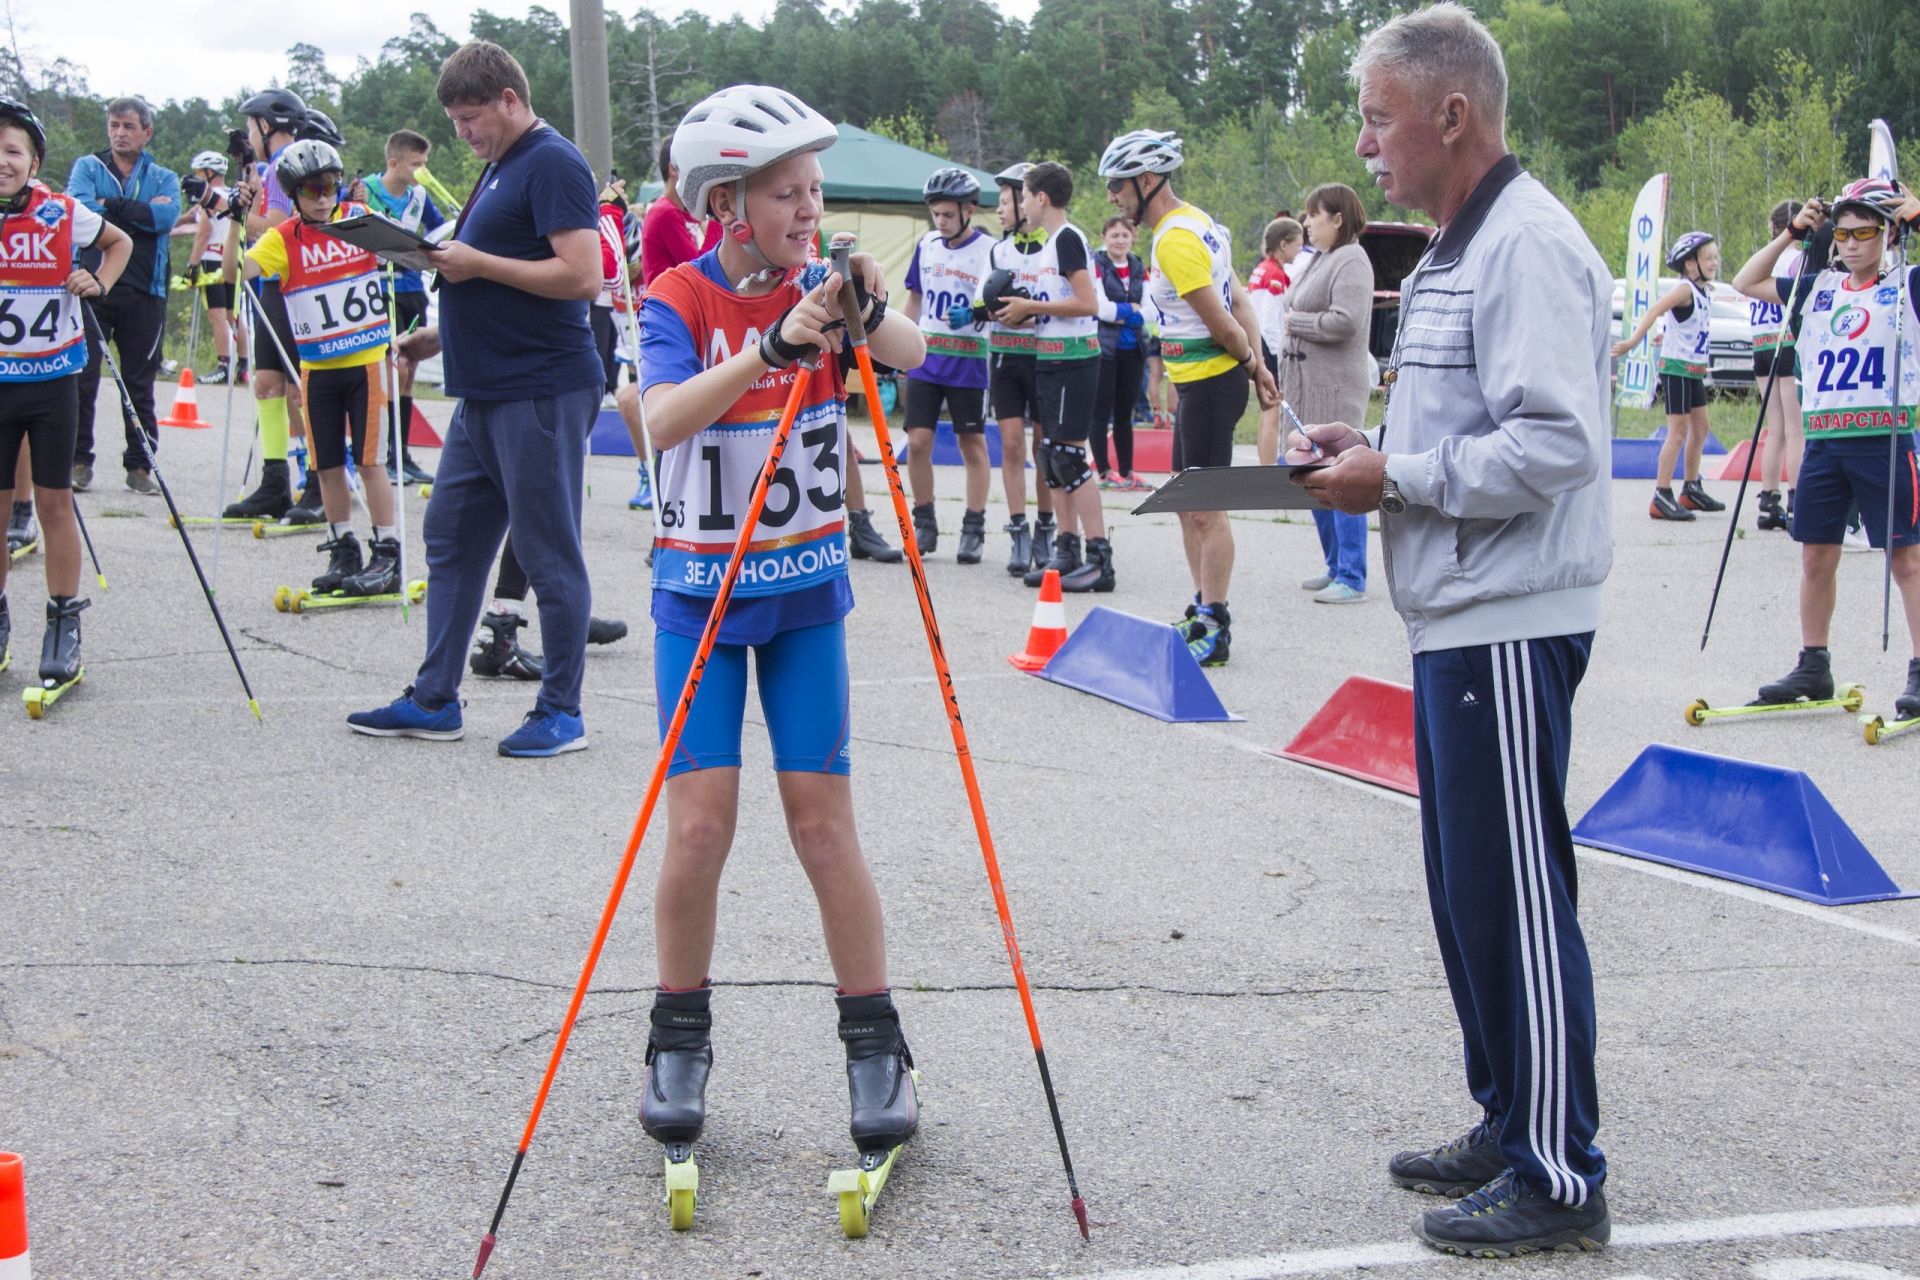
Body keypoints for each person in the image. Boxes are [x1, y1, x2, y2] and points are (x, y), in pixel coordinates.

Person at [1289, 5, 1614, 1256]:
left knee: (1517, 890)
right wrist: (1356, 449)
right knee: (1469, 890)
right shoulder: (1452, 247)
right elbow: (1451, 424)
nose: (1365, 145)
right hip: (1460, 616)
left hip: (1508, 616)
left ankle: (1558, 1170)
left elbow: (1559, 442)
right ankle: (1509, 1112)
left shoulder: (1525, 243)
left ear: (1451, 114)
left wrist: (1401, 478)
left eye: (1377, 117)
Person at [625, 84, 926, 1172]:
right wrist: (769, 351)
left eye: (814, 190)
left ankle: (876, 1044)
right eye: (787, 193)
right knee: (699, 826)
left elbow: (915, 354)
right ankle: (676, 1040)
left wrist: (861, 302)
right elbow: (656, 420)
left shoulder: (822, 288)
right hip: (698, 603)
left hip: (803, 599)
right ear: (725, 201)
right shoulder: (676, 294)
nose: (808, 208)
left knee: (821, 825)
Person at [348, 39, 605, 758]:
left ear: (510, 101)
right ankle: (435, 698)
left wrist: (473, 262)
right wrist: (436, 333)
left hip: (541, 389)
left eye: (471, 118)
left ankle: (562, 711)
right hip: (484, 389)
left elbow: (582, 275)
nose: (461, 134)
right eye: (455, 121)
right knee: (453, 539)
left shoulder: (551, 160)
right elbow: (501, 278)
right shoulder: (500, 166)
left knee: (549, 552)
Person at [1730, 180, 1920, 723]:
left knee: (1906, 560)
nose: (1854, 242)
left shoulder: (1907, 285)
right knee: (1816, 555)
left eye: (1866, 231)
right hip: (1826, 442)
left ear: (1886, 234)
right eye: (1845, 232)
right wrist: (1794, 231)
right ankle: (1814, 664)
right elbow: (1747, 280)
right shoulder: (1817, 288)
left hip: (1885, 439)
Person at [1101, 128, 1276, 661]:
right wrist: (1259, 363)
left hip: (1210, 382)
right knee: (1186, 504)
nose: (1112, 196)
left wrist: (1252, 364)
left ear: (1147, 181)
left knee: (1206, 510)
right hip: (1197, 383)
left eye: (1118, 185)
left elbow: (1224, 318)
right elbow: (1242, 300)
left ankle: (1216, 625)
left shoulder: (1176, 238)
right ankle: (1201, 607)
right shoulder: (1200, 223)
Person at [0, 98, 131, 682]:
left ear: (33, 161)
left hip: (53, 382)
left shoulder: (60, 212)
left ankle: (63, 620)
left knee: (54, 504)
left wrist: (96, 281)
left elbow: (119, 242)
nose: (2, 161)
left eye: (12, 151)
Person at [240, 140, 402, 599]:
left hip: (366, 364)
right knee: (326, 464)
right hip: (316, 369)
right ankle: (342, 545)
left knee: (370, 461)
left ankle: (387, 552)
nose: (324, 197)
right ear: (293, 195)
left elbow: (407, 253)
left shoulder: (357, 221)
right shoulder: (284, 237)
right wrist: (234, 220)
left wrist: (387, 232)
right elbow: (239, 272)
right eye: (312, 190)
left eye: (330, 186)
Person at [992, 162, 1114, 592]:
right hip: (1050, 357)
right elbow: (1054, 308)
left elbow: (1087, 303)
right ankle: (1066, 548)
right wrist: (1015, 313)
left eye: (1024, 195)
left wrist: (1032, 309)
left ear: (1041, 198)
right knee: (1050, 455)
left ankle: (1100, 555)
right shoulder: (1048, 246)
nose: (1020, 203)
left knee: (1068, 457)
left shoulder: (1067, 239)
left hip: (1075, 361)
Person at [66, 96, 180, 496]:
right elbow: (77, 210)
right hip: (92, 285)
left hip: (146, 292)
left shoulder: (163, 176)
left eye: (129, 126)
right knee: (81, 378)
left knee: (139, 382)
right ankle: (78, 463)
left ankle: (140, 466)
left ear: (146, 132)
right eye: (114, 125)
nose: (119, 133)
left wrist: (109, 205)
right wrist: (137, 211)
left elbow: (165, 218)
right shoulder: (88, 167)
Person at [1283, 185, 1376, 605]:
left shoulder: (1352, 259)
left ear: (1337, 218)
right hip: (1306, 388)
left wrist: (1295, 321)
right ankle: (1335, 565)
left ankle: (1353, 576)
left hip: (1334, 391)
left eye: (1313, 215)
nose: (1306, 223)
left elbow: (1345, 321)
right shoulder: (1320, 259)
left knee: (1341, 475)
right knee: (1311, 474)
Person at [221, 87, 311, 521]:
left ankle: (314, 479)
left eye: (253, 125)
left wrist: (229, 207)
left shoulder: (282, 166)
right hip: (271, 284)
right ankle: (276, 481)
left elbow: (276, 228)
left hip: (287, 284)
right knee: (267, 383)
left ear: (266, 125)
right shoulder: (274, 167)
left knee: (295, 386)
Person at [904, 166, 994, 562]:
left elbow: (994, 303)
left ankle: (974, 526)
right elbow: (914, 300)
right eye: (935, 214)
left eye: (947, 215)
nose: (940, 222)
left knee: (970, 443)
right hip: (926, 355)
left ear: (969, 210)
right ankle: (924, 523)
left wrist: (978, 314)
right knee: (917, 441)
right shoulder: (926, 244)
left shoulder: (987, 250)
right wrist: (897, 341)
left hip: (968, 358)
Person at [1612, 231, 1726, 520]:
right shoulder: (1684, 289)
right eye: (1708, 258)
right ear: (1690, 264)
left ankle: (1691, 488)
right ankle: (1662, 494)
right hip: (1677, 369)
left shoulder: (1703, 292)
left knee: (1701, 430)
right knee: (1678, 432)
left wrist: (1667, 334)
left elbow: (1684, 324)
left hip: (1694, 369)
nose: (1714, 262)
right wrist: (1632, 342)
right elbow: (1655, 310)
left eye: (1715, 257)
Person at [975, 161, 1052, 575]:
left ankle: (1045, 529)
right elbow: (979, 302)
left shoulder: (1053, 247)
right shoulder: (998, 250)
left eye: (1009, 201)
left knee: (1044, 449)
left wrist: (1032, 311)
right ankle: (1018, 532)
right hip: (1005, 357)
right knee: (1010, 445)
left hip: (1042, 357)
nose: (1003, 210)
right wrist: (977, 312)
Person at [361, 128, 445, 485]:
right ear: (393, 163)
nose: (421, 170)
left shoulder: (419, 195)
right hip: (380, 290)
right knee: (389, 369)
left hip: (411, 287)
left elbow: (441, 228)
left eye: (424, 163)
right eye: (415, 164)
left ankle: (402, 453)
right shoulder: (368, 190)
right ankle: (382, 455)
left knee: (408, 369)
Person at [1746, 199, 1807, 532]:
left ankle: (1769, 501)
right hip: (1786, 342)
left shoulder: (1764, 259)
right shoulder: (1797, 259)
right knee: (1795, 428)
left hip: (1761, 346)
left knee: (1774, 428)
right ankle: (1798, 500)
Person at [1090, 215, 1149, 490]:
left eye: (1125, 235)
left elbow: (1151, 310)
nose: (1120, 240)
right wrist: (1131, 311)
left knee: (1126, 413)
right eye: (1114, 235)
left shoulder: (1138, 267)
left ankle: (1127, 471)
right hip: (1105, 349)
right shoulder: (1097, 264)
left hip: (1134, 348)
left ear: (1133, 238)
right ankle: (1103, 472)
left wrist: (1124, 314)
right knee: (1101, 411)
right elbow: (1101, 308)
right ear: (1105, 238)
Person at [180, 150, 241, 383]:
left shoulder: (209, 196)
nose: (197, 177)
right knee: (233, 316)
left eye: (199, 172)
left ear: (209, 172)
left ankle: (223, 365)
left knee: (216, 316)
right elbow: (189, 221)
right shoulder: (231, 194)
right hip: (231, 260)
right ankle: (242, 365)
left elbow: (203, 233)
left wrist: (192, 267)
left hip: (212, 260)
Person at [1249, 216, 1304, 466]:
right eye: (1297, 244)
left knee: (1268, 411)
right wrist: (1277, 354)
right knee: (1272, 412)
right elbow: (1271, 321)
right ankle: (1268, 468)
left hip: (1258, 343)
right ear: (1284, 244)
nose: (1300, 249)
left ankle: (1265, 465)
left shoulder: (1262, 268)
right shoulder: (1274, 275)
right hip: (1269, 346)